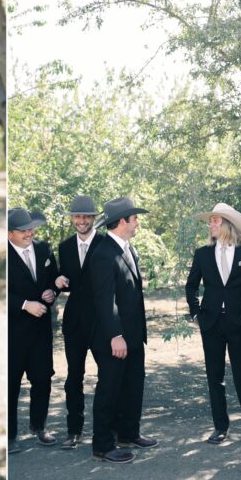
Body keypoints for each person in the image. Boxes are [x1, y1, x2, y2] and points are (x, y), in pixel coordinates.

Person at [185, 203, 241, 446]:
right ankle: (220, 428)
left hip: (239, 322)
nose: (211, 224)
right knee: (214, 377)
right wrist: (195, 314)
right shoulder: (202, 253)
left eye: (215, 220)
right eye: (211, 221)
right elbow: (191, 286)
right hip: (211, 323)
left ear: (228, 224)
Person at [86, 197, 156, 463]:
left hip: (134, 336)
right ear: (123, 221)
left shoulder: (128, 249)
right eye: (135, 218)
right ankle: (102, 445)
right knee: (110, 389)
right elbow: (105, 301)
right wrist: (116, 335)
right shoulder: (103, 254)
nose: (137, 222)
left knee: (133, 386)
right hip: (113, 338)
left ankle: (128, 433)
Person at [7, 207, 60, 451]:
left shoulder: (44, 249)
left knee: (42, 379)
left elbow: (54, 279)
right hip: (13, 333)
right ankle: (9, 436)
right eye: (23, 230)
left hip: (41, 331)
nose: (29, 233)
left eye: (31, 228)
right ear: (9, 234)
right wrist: (25, 305)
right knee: (11, 383)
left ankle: (39, 427)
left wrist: (53, 291)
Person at [55, 196, 104, 449]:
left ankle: (106, 430)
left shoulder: (106, 244)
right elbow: (68, 281)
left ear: (93, 218)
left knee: (107, 376)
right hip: (75, 321)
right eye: (77, 216)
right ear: (72, 218)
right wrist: (60, 283)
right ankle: (74, 431)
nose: (82, 221)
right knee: (74, 377)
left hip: (102, 320)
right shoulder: (64, 247)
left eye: (86, 216)